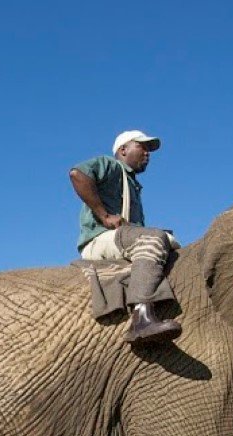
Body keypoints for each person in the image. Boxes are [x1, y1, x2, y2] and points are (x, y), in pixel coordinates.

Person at [69, 130, 182, 343]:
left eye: (149, 150)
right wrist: (104, 215)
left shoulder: (133, 185)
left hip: (122, 239)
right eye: (142, 147)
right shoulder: (110, 165)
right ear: (123, 150)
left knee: (169, 241)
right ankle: (142, 316)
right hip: (101, 237)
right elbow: (77, 174)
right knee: (154, 237)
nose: (148, 154)